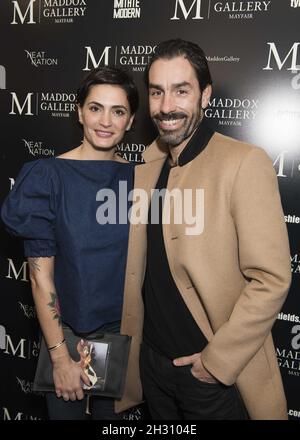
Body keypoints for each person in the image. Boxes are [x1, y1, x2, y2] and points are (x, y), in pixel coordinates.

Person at [116, 39, 291, 419]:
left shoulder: (244, 163)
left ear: (205, 95)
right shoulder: (146, 166)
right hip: (153, 367)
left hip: (211, 377)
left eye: (182, 91)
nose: (166, 107)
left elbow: (271, 279)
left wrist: (214, 364)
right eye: (157, 92)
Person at [1, 66, 139, 420]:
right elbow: (39, 277)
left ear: (131, 120)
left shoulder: (141, 179)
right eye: (95, 108)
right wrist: (60, 358)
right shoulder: (48, 176)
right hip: (66, 339)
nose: (105, 120)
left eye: (118, 111)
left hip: (126, 341)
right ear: (79, 112)